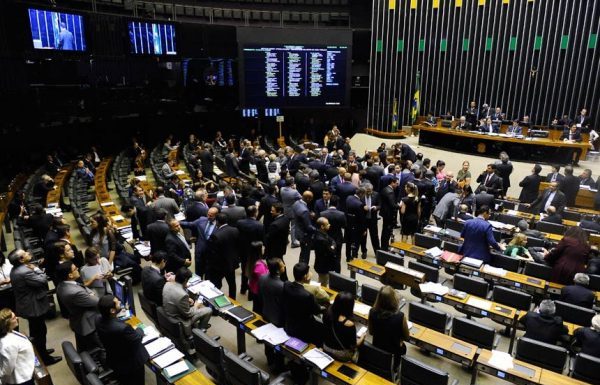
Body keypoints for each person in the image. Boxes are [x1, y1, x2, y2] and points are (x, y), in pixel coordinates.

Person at [8, 249, 61, 365]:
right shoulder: (25, 271)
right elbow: (42, 280)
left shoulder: (16, 269)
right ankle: (45, 358)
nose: (28, 253)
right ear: (21, 259)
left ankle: (41, 351)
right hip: (33, 306)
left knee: (36, 331)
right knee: (40, 332)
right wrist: (37, 269)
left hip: (27, 305)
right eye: (25, 253)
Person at [96, 295, 148, 385]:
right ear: (112, 310)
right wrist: (139, 329)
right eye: (117, 303)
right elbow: (137, 338)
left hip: (115, 360)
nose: (120, 302)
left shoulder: (97, 319)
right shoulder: (122, 328)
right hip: (131, 364)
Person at [55, 262, 103, 352]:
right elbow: (96, 301)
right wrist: (91, 294)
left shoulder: (62, 285)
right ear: (70, 275)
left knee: (84, 348)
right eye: (75, 269)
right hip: (88, 324)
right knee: (100, 349)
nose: (78, 269)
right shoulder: (74, 292)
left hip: (77, 320)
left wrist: (90, 294)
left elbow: (84, 289)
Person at [282, 263, 324, 346]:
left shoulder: (286, 284)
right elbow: (317, 310)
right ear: (305, 276)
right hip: (303, 330)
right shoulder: (308, 296)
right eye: (309, 272)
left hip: (289, 325)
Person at [162, 267, 212, 336]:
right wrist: (196, 305)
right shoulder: (183, 295)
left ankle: (197, 327)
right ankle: (201, 334)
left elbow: (175, 296)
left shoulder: (167, 284)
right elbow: (188, 314)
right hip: (181, 320)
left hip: (169, 314)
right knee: (208, 310)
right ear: (185, 280)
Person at [368, 286, 409, 368]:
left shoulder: (372, 312)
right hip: (394, 355)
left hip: (377, 350)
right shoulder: (400, 316)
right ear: (393, 299)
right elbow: (406, 337)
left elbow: (371, 332)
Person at [322, 292, 365, 362]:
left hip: (326, 347)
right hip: (341, 354)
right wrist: (363, 336)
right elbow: (354, 345)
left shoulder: (327, 313)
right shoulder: (348, 324)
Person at [206, 213, 240, 299]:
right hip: (231, 262)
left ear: (217, 222)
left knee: (216, 285)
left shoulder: (215, 235)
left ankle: (216, 301)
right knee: (232, 284)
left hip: (219, 266)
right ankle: (233, 300)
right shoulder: (235, 230)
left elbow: (213, 254)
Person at [0, 308, 36, 385]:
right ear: (7, 323)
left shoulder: (11, 331)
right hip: (23, 379)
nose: (17, 318)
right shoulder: (7, 344)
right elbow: (8, 368)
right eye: (14, 318)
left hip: (27, 370)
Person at [237, 206, 265, 295]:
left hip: (243, 250)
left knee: (244, 269)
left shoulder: (239, 223)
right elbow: (262, 239)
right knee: (254, 270)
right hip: (255, 251)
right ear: (255, 213)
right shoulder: (260, 225)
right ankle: (251, 292)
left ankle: (243, 288)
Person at [313, 217, 337, 286]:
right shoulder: (321, 240)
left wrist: (332, 245)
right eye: (327, 224)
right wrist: (333, 246)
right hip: (323, 266)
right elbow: (332, 251)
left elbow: (332, 240)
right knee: (323, 283)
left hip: (322, 264)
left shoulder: (321, 233)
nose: (329, 225)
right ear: (322, 226)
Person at [246, 242, 268, 313]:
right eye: (262, 247)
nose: (263, 248)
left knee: (255, 307)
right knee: (259, 309)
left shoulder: (251, 260)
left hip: (253, 288)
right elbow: (265, 279)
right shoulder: (259, 266)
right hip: (259, 291)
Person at [380, 177, 399, 250]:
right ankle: (385, 247)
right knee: (387, 231)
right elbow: (392, 205)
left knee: (384, 230)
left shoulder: (385, 189)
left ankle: (384, 245)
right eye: (396, 183)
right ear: (392, 183)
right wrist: (399, 206)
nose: (397, 185)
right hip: (389, 214)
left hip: (385, 213)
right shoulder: (390, 191)